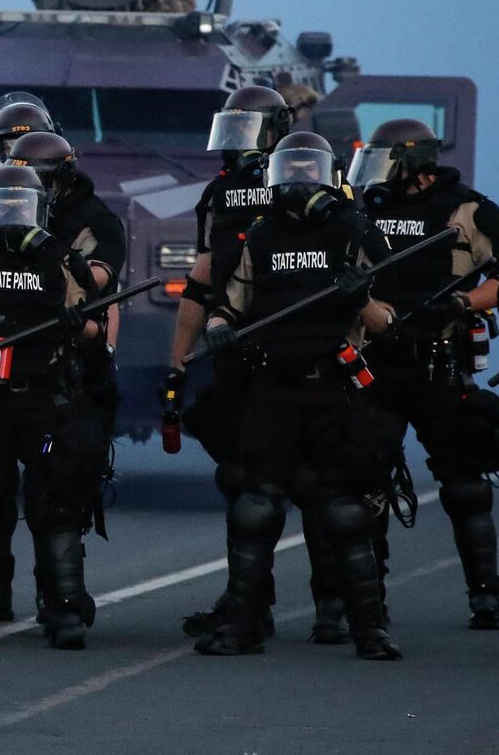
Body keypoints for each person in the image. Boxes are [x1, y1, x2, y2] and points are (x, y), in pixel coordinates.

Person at [196, 133, 401, 660]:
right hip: (272, 388)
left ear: (329, 177)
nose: (298, 182)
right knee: (255, 508)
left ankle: (369, 631)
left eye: (308, 172)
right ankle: (242, 627)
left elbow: (388, 321)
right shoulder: (260, 236)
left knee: (345, 512)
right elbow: (229, 305)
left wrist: (361, 297)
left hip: (334, 386)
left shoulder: (355, 231)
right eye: (290, 172)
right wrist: (218, 327)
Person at [349, 118, 499, 629]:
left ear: (414, 163)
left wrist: (462, 302)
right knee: (365, 478)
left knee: (464, 481)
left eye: (385, 160)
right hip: (377, 358)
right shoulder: (363, 211)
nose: (375, 173)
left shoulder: (470, 209)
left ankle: (484, 593)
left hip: (439, 359)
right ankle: (367, 597)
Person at [0, 165, 105, 650]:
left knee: (56, 508)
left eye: (19, 205)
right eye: (2, 204)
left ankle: (65, 609)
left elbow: (98, 332)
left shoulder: (63, 262)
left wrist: (76, 325)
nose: (10, 215)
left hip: (45, 400)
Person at [166, 87, 320, 639]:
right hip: (236, 349)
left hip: (308, 349)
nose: (236, 146)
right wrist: (178, 360)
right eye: (231, 131)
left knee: (325, 486)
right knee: (243, 480)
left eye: (248, 131)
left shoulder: (321, 184)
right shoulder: (219, 193)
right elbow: (201, 280)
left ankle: (342, 607)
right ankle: (249, 604)